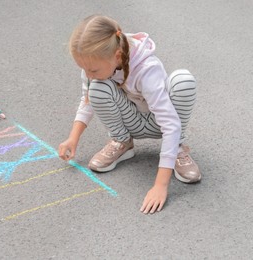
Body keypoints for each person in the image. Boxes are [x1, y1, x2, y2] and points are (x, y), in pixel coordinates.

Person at [58, 15, 201, 214]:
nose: (88, 74)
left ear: (117, 56)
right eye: (84, 69)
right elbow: (87, 100)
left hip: (157, 123)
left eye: (92, 69)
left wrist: (160, 186)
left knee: (183, 80)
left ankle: (176, 149)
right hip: (130, 121)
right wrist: (73, 138)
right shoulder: (94, 63)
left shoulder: (147, 69)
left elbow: (170, 124)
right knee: (97, 88)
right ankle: (122, 142)